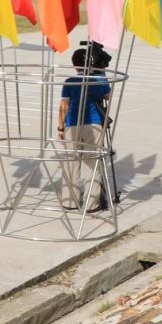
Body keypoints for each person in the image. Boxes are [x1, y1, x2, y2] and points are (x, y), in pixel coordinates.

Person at [59, 42, 114, 211]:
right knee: (92, 163)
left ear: (74, 65)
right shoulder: (99, 80)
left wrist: (60, 128)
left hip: (72, 124)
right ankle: (91, 204)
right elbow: (108, 97)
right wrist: (101, 73)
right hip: (94, 123)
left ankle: (70, 201)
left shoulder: (70, 82)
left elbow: (64, 106)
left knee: (71, 162)